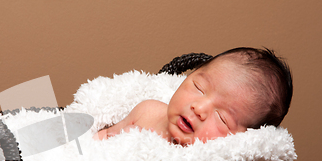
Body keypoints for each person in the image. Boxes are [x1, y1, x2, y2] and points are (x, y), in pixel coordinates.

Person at [94, 47, 293, 145]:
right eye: (198, 87)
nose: (199, 108)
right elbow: (103, 138)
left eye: (222, 118)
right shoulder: (148, 111)